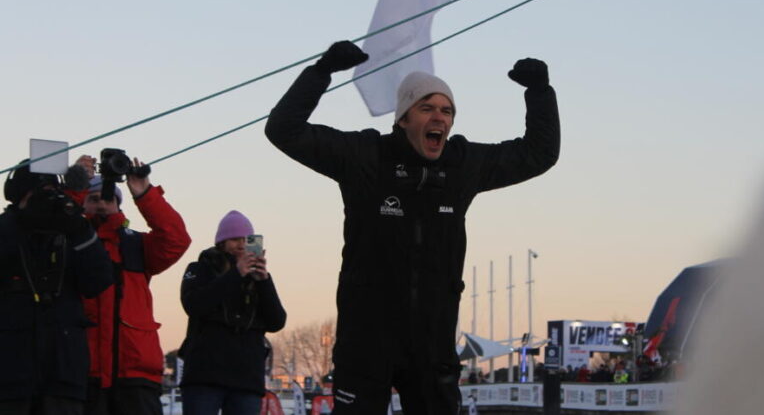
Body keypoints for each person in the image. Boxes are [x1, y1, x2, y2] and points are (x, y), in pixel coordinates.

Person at [264, 40, 560, 414]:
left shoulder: (462, 165)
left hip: (431, 341)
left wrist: (539, 93)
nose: (439, 117)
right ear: (403, 118)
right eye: (427, 108)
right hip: (367, 338)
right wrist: (321, 72)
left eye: (447, 111)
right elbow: (284, 130)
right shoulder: (366, 156)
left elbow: (539, 154)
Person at [71, 155, 192, 415]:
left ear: (119, 204)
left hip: (135, 372)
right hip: (83, 371)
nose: (102, 204)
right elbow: (48, 228)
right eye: (93, 199)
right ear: (82, 204)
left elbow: (176, 239)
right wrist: (74, 185)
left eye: (109, 199)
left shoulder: (136, 245)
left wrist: (144, 193)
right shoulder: (68, 243)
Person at [0, 161, 113, 414]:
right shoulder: (6, 229)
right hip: (9, 375)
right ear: (18, 196)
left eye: (52, 192)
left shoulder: (72, 230)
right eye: (39, 193)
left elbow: (99, 280)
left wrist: (76, 226)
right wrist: (19, 222)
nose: (46, 200)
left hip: (64, 373)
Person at [178, 210, 286, 415]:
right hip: (205, 374)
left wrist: (264, 282)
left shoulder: (257, 279)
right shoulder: (201, 269)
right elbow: (194, 305)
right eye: (235, 239)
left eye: (247, 240)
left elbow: (277, 322)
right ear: (222, 242)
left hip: (246, 378)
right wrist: (236, 274)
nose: (242, 245)